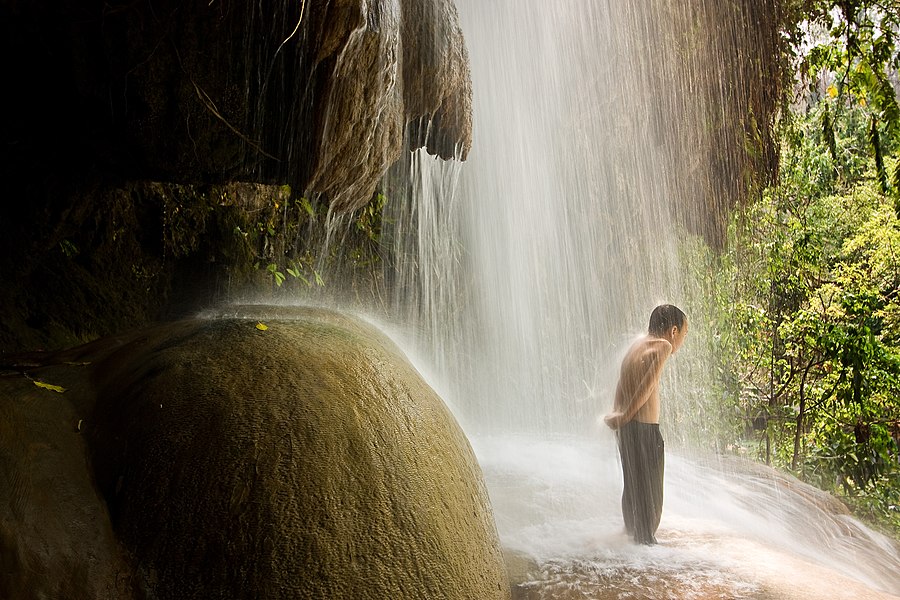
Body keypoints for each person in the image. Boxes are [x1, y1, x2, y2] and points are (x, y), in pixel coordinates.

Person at [603, 304, 688, 545]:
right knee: (651, 499)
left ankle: (629, 540)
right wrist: (625, 415)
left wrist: (617, 415)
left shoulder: (635, 346)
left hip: (628, 430)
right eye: (684, 334)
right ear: (673, 330)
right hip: (644, 429)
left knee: (633, 489)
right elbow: (647, 387)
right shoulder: (663, 346)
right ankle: (646, 547)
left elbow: (622, 383)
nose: (682, 341)